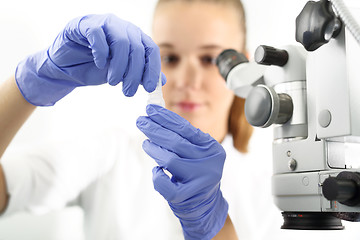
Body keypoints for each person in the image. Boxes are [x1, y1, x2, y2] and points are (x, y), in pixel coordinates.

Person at [1, 0, 358, 240]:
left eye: (208, 60)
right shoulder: (111, 154)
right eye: (169, 58)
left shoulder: (281, 186)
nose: (187, 79)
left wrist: (212, 220)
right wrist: (31, 83)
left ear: (244, 66)